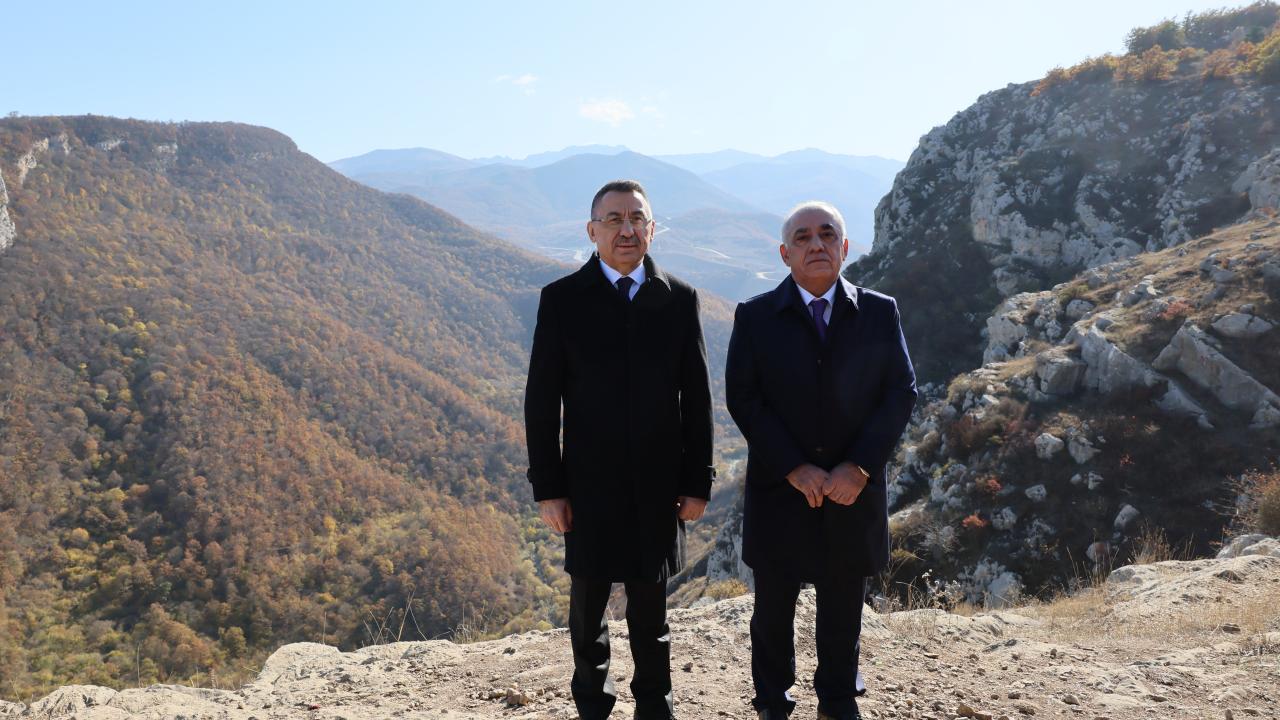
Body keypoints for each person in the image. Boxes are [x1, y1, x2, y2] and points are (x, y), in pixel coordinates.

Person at [524, 179, 715, 720]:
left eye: (637, 219)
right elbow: (542, 403)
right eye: (614, 219)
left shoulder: (678, 299)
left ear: (652, 230)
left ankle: (656, 708)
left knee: (652, 613)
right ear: (592, 231)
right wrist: (549, 489)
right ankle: (593, 706)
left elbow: (697, 398)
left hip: (659, 484)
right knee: (588, 610)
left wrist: (697, 482)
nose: (626, 230)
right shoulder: (562, 300)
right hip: (587, 484)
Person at [725, 201, 917, 720]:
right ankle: (772, 699)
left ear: (845, 248)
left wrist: (860, 467)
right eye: (803, 237)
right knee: (773, 606)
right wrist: (793, 466)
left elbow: (900, 392)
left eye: (827, 235)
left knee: (843, 600)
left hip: (852, 490)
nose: (816, 244)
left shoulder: (879, 312)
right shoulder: (755, 316)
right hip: (780, 488)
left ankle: (837, 696)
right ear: (784, 253)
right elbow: (744, 398)